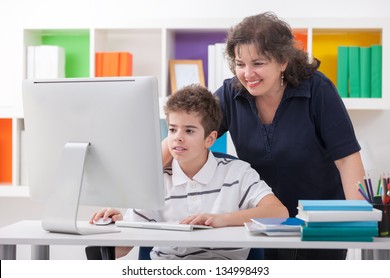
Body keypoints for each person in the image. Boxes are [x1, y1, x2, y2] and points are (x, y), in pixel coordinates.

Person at [161, 12, 367, 260]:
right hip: (259, 222)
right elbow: (184, 131)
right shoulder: (230, 93)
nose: (248, 74)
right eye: (240, 64)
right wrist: (132, 192)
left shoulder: (317, 90)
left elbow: (346, 159)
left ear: (282, 61)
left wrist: (360, 221)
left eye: (258, 63)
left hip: (316, 224)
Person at [90, 84, 288, 260]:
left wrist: (223, 219)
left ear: (210, 139)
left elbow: (278, 212)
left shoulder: (237, 173)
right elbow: (121, 249)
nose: (177, 138)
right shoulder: (158, 181)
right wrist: (111, 230)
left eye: (189, 131)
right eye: (173, 129)